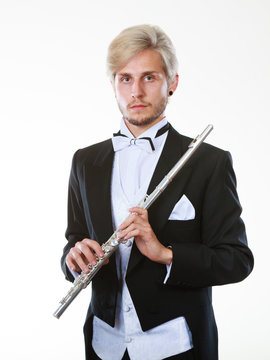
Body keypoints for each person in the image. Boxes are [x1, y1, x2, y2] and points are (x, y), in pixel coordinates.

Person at [60, 25, 254, 360]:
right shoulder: (85, 161)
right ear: (113, 85)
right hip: (103, 343)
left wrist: (165, 253)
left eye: (149, 77)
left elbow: (236, 260)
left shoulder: (208, 161)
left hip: (179, 345)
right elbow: (74, 238)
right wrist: (74, 258)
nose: (136, 91)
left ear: (172, 82)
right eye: (125, 78)